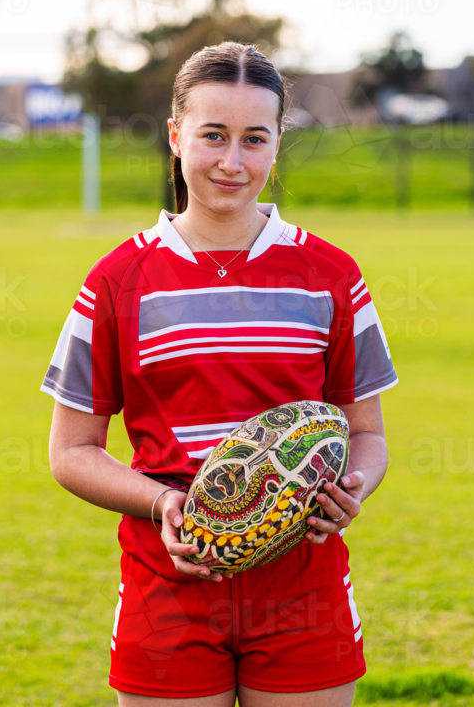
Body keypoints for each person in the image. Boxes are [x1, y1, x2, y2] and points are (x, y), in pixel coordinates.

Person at [42, 42, 397, 707]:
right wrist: (163, 503)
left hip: (302, 589)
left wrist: (352, 487)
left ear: (275, 145)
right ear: (176, 137)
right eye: (212, 136)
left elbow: (366, 436)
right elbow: (71, 451)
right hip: (166, 585)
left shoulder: (331, 276)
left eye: (253, 139)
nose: (232, 162)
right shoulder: (117, 280)